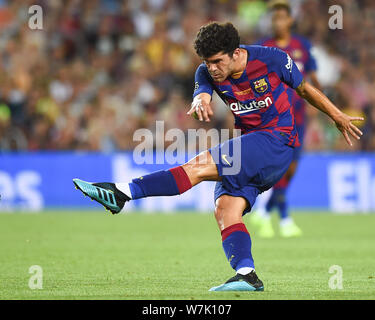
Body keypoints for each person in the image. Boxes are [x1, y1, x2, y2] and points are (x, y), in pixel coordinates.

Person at [73, 22, 363, 292]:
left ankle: (122, 192)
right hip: (251, 147)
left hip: (277, 140)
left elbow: (303, 89)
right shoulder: (205, 73)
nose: (212, 69)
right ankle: (247, 274)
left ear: (236, 53)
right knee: (225, 210)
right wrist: (201, 98)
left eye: (217, 61)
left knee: (197, 167)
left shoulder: (272, 59)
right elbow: (203, 92)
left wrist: (336, 116)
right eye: (206, 62)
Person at [250, 0, 322, 238]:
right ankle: (284, 218)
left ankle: (263, 211)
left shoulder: (301, 45)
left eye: (282, 18)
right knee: (280, 167)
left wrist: (319, 105)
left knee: (291, 169)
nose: (278, 22)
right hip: (275, 119)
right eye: (274, 19)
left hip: (299, 116)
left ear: (290, 20)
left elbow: (311, 78)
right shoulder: (264, 47)